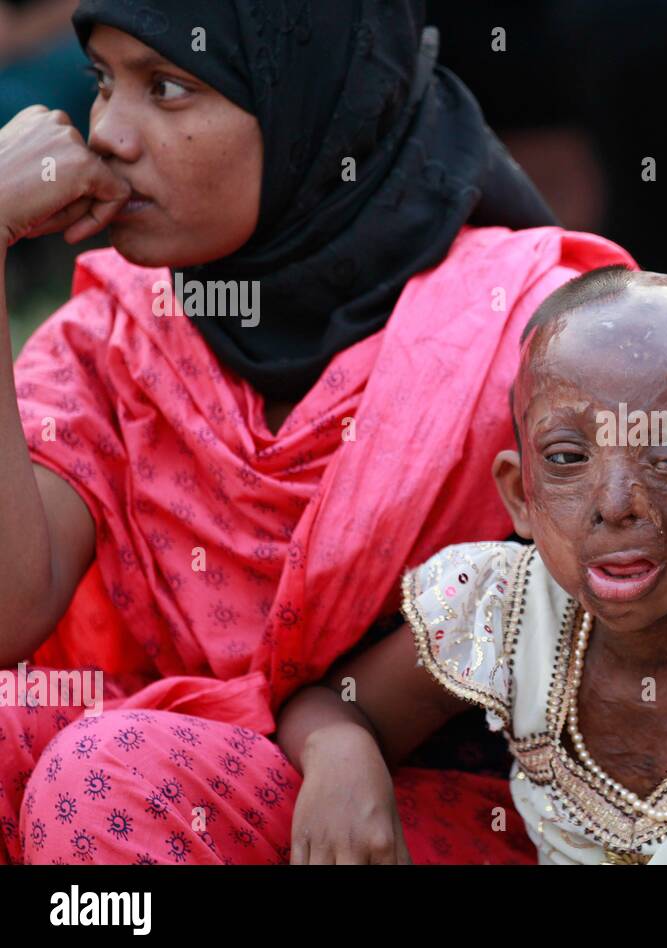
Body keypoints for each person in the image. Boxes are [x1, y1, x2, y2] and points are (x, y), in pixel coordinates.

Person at [0, 0, 634, 864]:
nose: (108, 131)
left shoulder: (518, 337)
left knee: (105, 776)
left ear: (315, 105)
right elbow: (10, 611)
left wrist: (338, 734)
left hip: (429, 812)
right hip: (174, 768)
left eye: (169, 88)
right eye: (103, 82)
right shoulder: (115, 326)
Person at [276, 267, 667, 864]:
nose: (615, 504)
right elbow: (341, 703)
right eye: (568, 457)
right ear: (520, 494)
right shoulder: (506, 608)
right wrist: (340, 752)